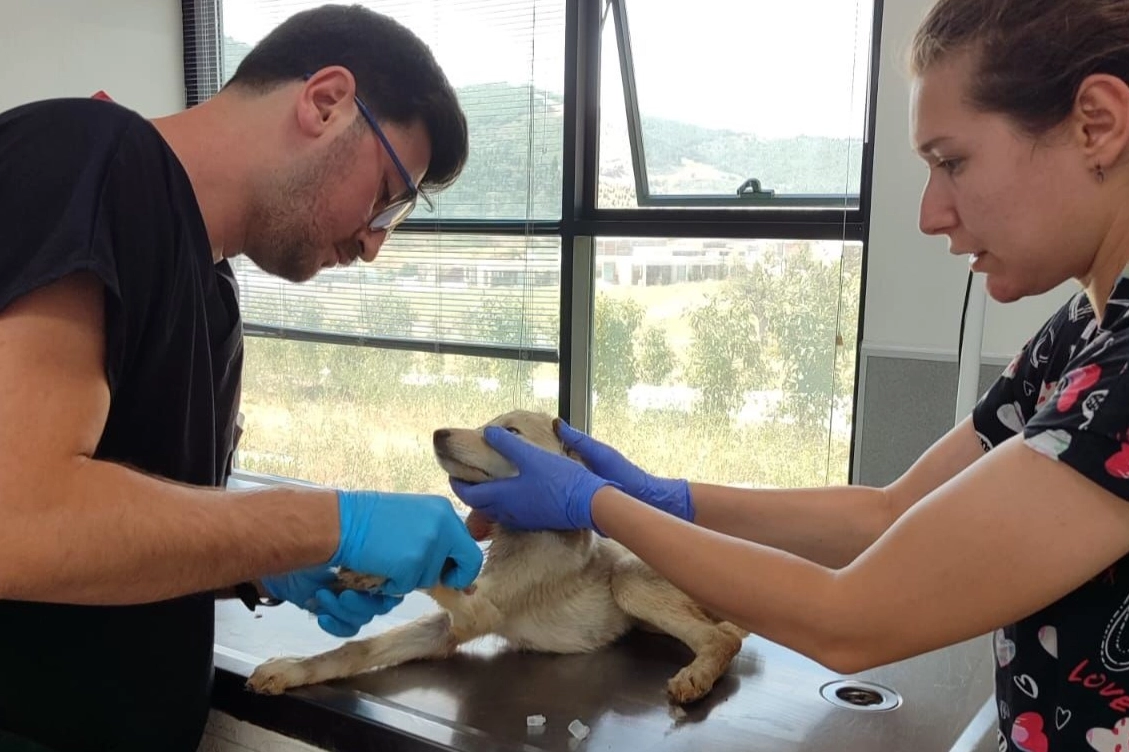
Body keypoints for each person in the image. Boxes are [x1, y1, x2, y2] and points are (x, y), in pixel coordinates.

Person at [452, 0, 1129, 748]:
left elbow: (850, 619)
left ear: (1096, 123)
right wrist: (663, 497)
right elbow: (887, 512)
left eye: (951, 161)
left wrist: (599, 505)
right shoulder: (1080, 334)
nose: (930, 214)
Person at [0, 5, 483, 751]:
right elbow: (17, 519)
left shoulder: (213, 296)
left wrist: (268, 564)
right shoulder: (88, 154)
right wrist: (323, 521)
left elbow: (119, 536)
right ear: (325, 102)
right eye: (387, 197)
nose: (371, 244)